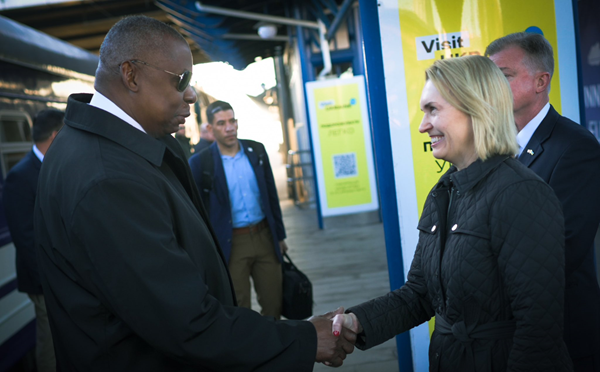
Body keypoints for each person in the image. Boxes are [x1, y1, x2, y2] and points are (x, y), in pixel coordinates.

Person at [34, 15, 354, 371]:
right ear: (131, 75)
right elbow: (186, 324)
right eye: (180, 79)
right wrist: (306, 338)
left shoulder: (101, 148)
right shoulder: (108, 181)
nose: (189, 93)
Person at [331, 55, 574, 371]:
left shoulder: (521, 193)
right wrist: (357, 320)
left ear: (476, 109)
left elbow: (539, 327)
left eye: (433, 110)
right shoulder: (444, 191)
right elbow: (419, 295)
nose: (422, 125)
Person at [486, 32, 600, 371]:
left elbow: (563, 249)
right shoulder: (494, 146)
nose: (493, 87)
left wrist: (477, 276)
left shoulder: (576, 147)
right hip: (511, 333)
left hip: (563, 336)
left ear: (540, 81)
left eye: (503, 76)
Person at [188, 100, 288, 319]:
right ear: (211, 128)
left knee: (274, 303)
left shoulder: (256, 151)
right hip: (231, 244)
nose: (229, 127)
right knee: (239, 307)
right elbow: (197, 212)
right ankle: (252, 352)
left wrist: (279, 236)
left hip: (264, 237)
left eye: (232, 121)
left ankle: (274, 349)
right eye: (222, 123)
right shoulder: (200, 163)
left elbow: (271, 196)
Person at [3, 108, 63, 372]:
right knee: (51, 340)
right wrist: (50, 280)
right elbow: (25, 238)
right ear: (55, 135)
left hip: (60, 274)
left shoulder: (52, 165)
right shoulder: (20, 176)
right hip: (43, 280)